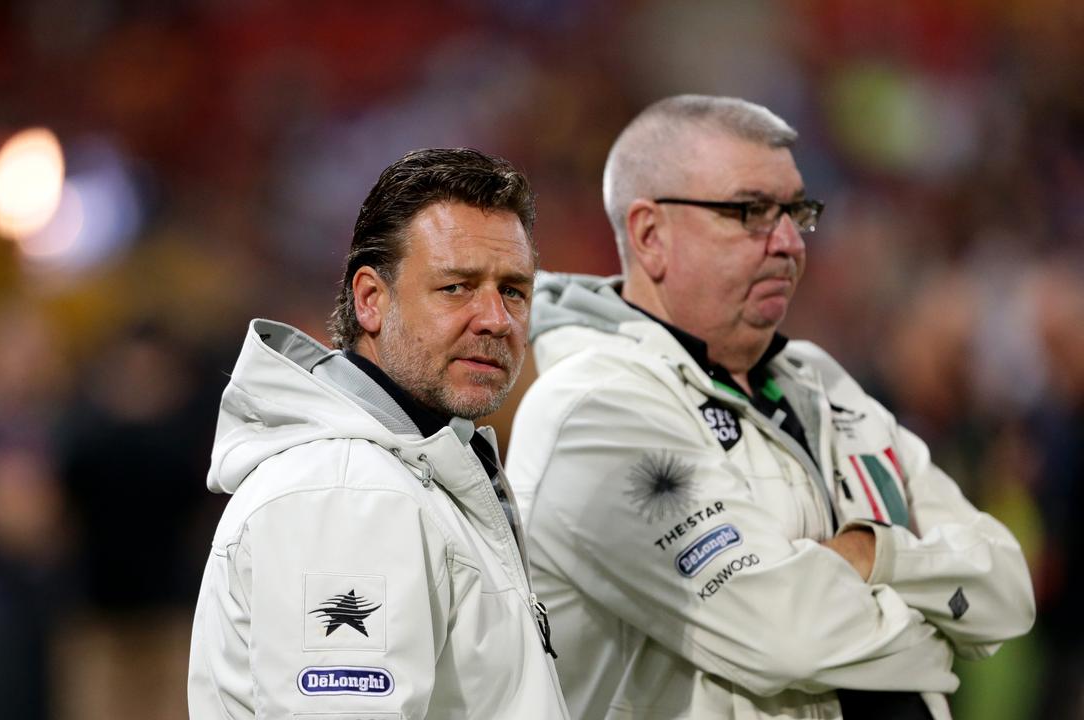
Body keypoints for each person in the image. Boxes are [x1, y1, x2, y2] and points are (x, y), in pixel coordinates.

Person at [504, 95, 1035, 719]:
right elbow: (790, 639)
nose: (789, 242)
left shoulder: (823, 382)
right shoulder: (592, 410)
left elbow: (1008, 590)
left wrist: (873, 554)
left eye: (796, 211)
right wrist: (938, 637)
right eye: (751, 211)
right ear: (651, 235)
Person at [188, 148, 569, 719]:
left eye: (513, 290)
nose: (496, 319)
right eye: (457, 288)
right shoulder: (349, 489)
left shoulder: (414, 470)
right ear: (371, 300)